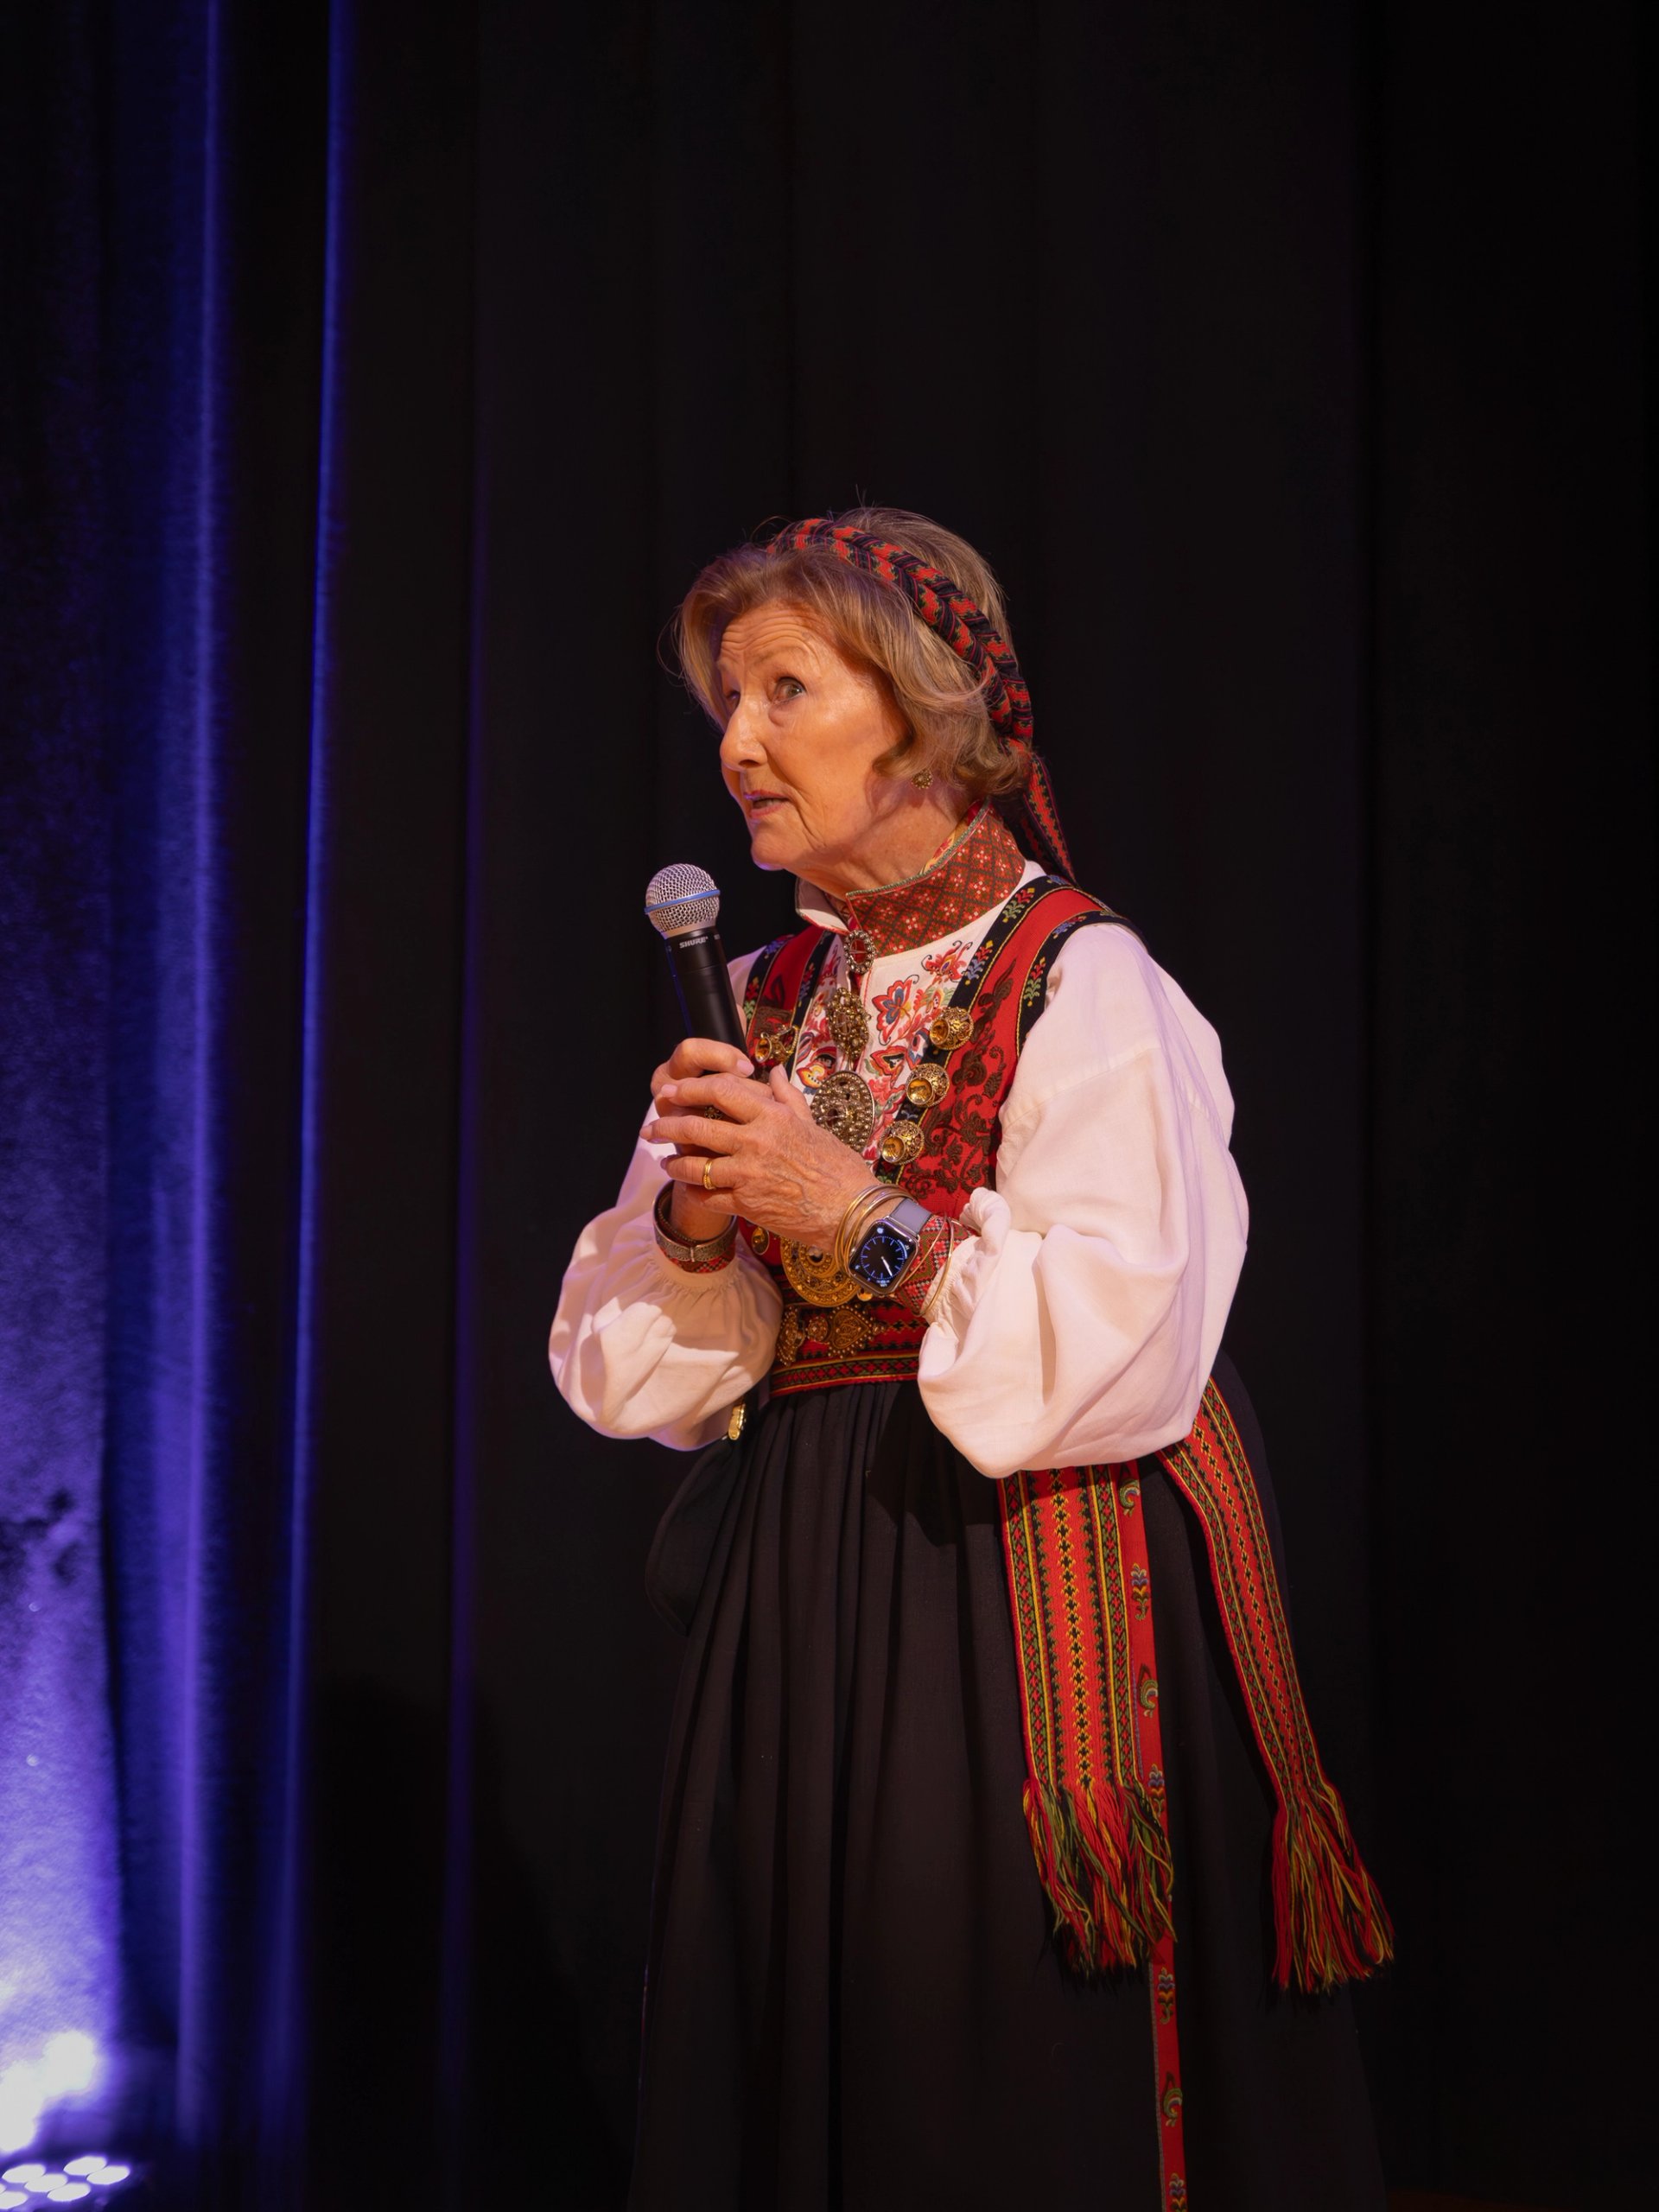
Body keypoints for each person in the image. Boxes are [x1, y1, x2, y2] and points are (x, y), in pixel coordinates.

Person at [550, 509, 1390, 2211]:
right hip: (806, 1580)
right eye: (727, 701)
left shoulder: (1085, 977)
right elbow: (637, 1381)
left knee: (981, 2052)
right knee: (808, 2025)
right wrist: (704, 1223)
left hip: (1022, 1574)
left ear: (924, 707)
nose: (738, 742)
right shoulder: (759, 999)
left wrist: (855, 1214)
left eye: (787, 689)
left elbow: (1121, 1344)